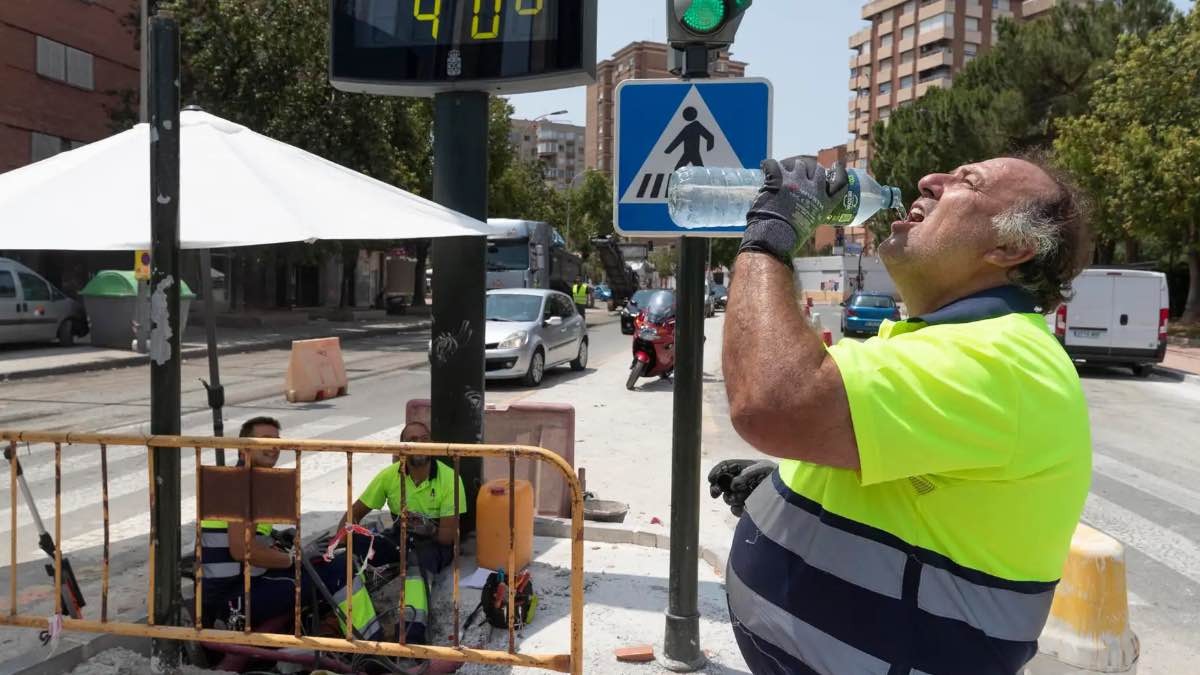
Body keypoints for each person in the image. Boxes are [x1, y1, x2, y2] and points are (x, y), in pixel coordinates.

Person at [710, 156, 1093, 674]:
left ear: (1009, 248)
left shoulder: (1002, 361)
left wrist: (770, 235)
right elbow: (901, 470)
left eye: (967, 181)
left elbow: (773, 404)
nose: (929, 180)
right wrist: (789, 488)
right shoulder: (946, 340)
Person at [337, 421, 467, 643]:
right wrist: (341, 539)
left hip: (434, 542)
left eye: (424, 439)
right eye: (411, 440)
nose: (418, 445)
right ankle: (360, 636)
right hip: (400, 536)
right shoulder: (389, 475)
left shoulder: (449, 479)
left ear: (433, 445)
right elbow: (355, 513)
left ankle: (411, 635)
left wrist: (428, 529)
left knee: (417, 562)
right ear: (401, 447)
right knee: (347, 553)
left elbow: (449, 536)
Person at [199, 416, 298, 631]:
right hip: (228, 595)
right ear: (244, 448)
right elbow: (241, 549)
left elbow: (246, 533)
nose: (274, 446)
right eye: (264, 440)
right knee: (320, 579)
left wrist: (276, 537)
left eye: (277, 440)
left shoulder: (249, 480)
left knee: (308, 577)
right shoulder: (242, 484)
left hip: (238, 585)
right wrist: (291, 560)